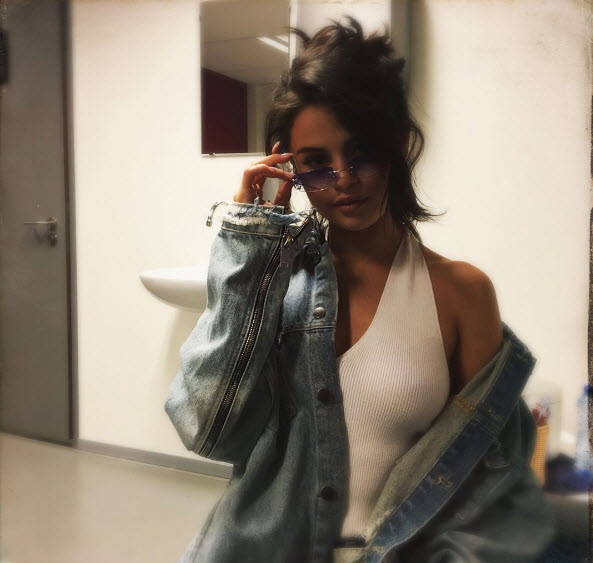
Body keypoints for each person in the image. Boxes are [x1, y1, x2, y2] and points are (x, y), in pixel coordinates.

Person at [165, 16, 556, 562]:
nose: (344, 178)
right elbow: (205, 428)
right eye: (316, 164)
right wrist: (248, 241)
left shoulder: (462, 294)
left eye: (360, 154)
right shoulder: (275, 285)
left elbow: (489, 483)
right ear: (290, 169)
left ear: (396, 146)